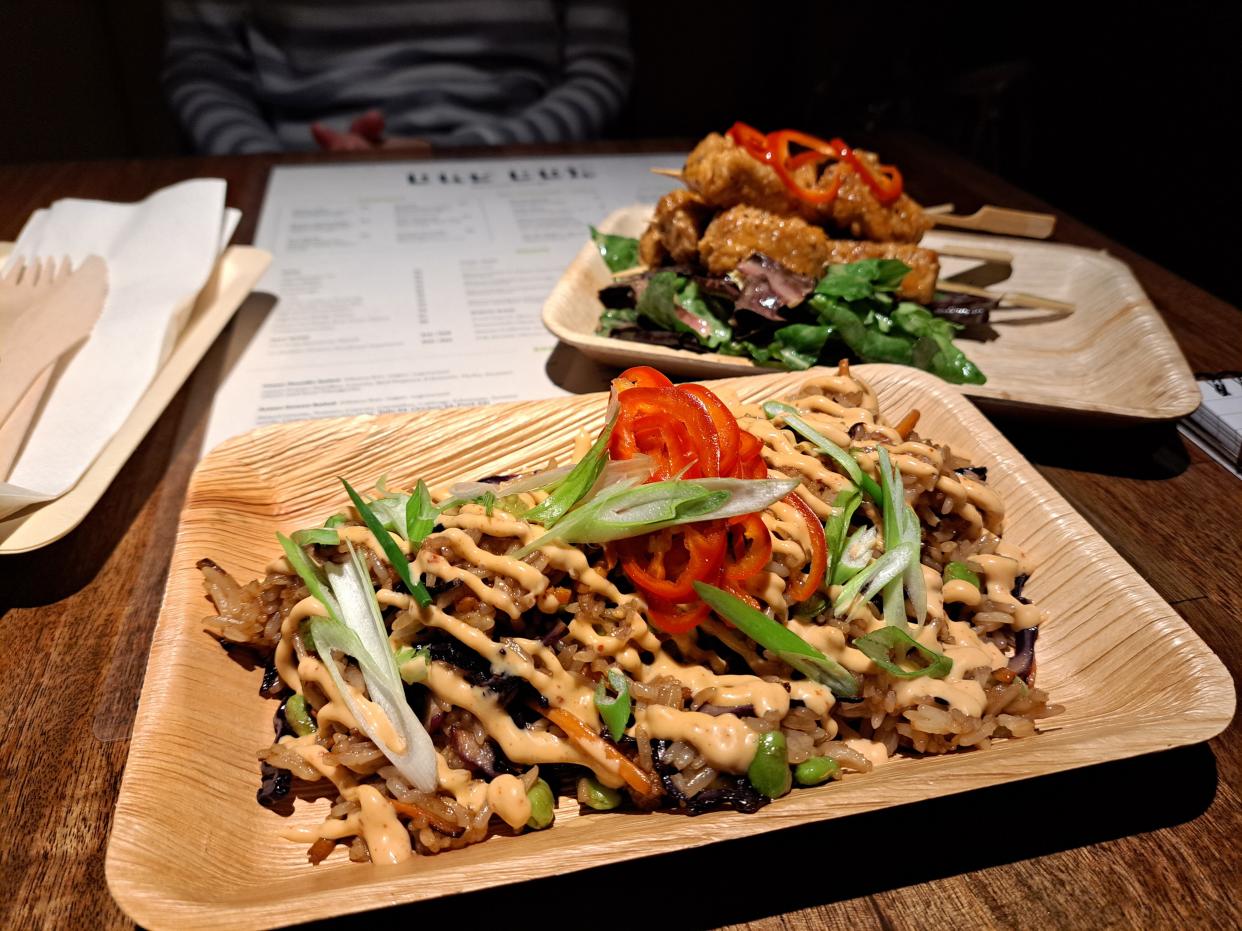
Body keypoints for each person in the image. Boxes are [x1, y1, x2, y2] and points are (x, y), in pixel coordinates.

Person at [162, 0, 632, 154]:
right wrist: (271, 167)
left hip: (521, 158)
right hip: (292, 162)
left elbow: (598, 66)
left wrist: (472, 152)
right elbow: (203, 68)